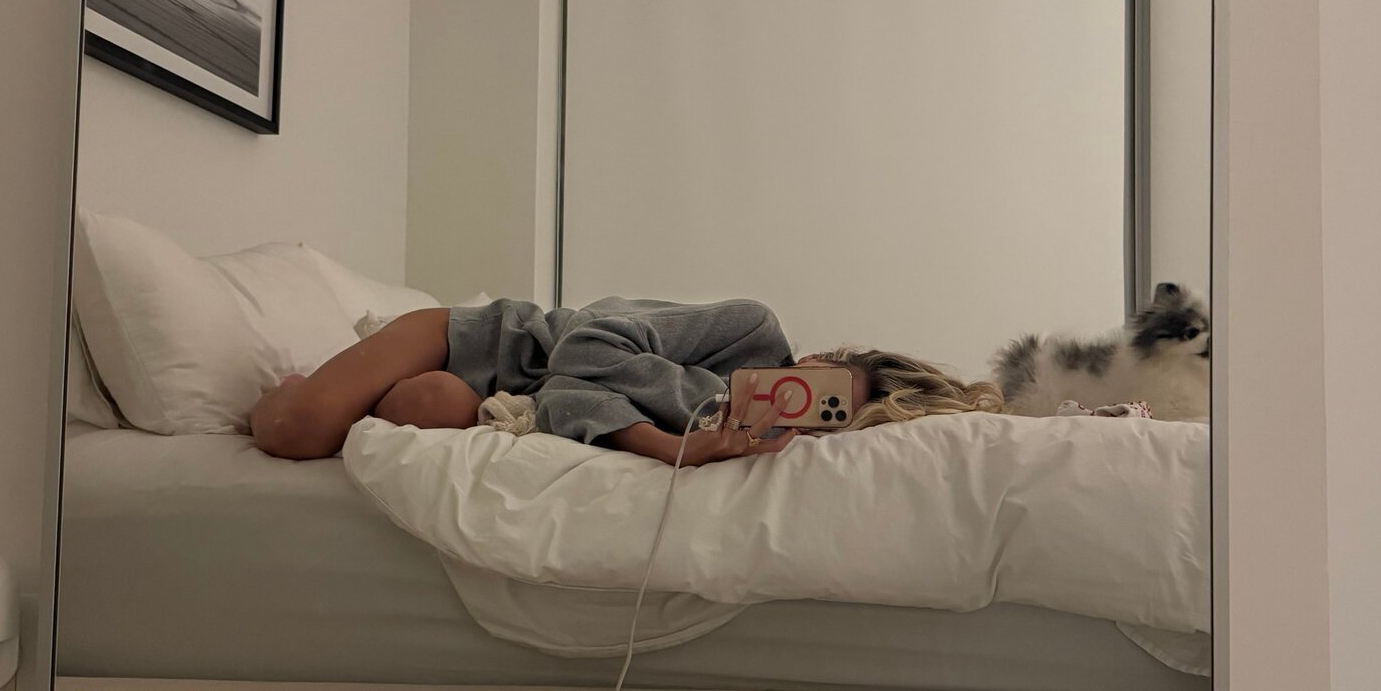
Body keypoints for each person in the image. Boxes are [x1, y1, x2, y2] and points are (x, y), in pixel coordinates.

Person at [250, 297, 1002, 464]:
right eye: (825, 387)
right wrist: (672, 447)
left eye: (829, 418)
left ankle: (353, 380)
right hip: (485, 338)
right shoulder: (752, 330)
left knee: (429, 403)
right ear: (817, 362)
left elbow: (569, 402)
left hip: (494, 400)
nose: (805, 405)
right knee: (292, 430)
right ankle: (296, 383)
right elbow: (587, 345)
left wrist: (701, 443)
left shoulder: (746, 440)